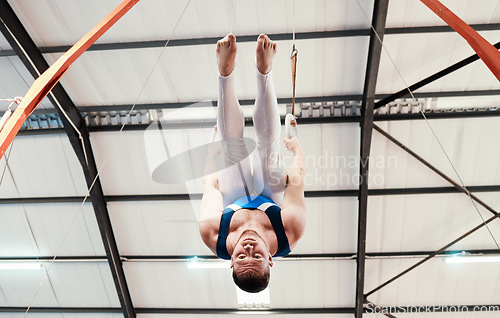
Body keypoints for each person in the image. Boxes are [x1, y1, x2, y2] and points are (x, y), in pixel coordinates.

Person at [198, 34, 306, 293]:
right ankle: (264, 72)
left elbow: (210, 186)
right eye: (256, 257)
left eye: (241, 258)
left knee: (231, 146)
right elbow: (297, 180)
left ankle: (225, 74)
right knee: (269, 147)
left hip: (233, 197)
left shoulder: (213, 234)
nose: (247, 250)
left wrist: (212, 154)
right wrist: (298, 150)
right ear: (270, 259)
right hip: (272, 196)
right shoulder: (290, 231)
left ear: (230, 262)